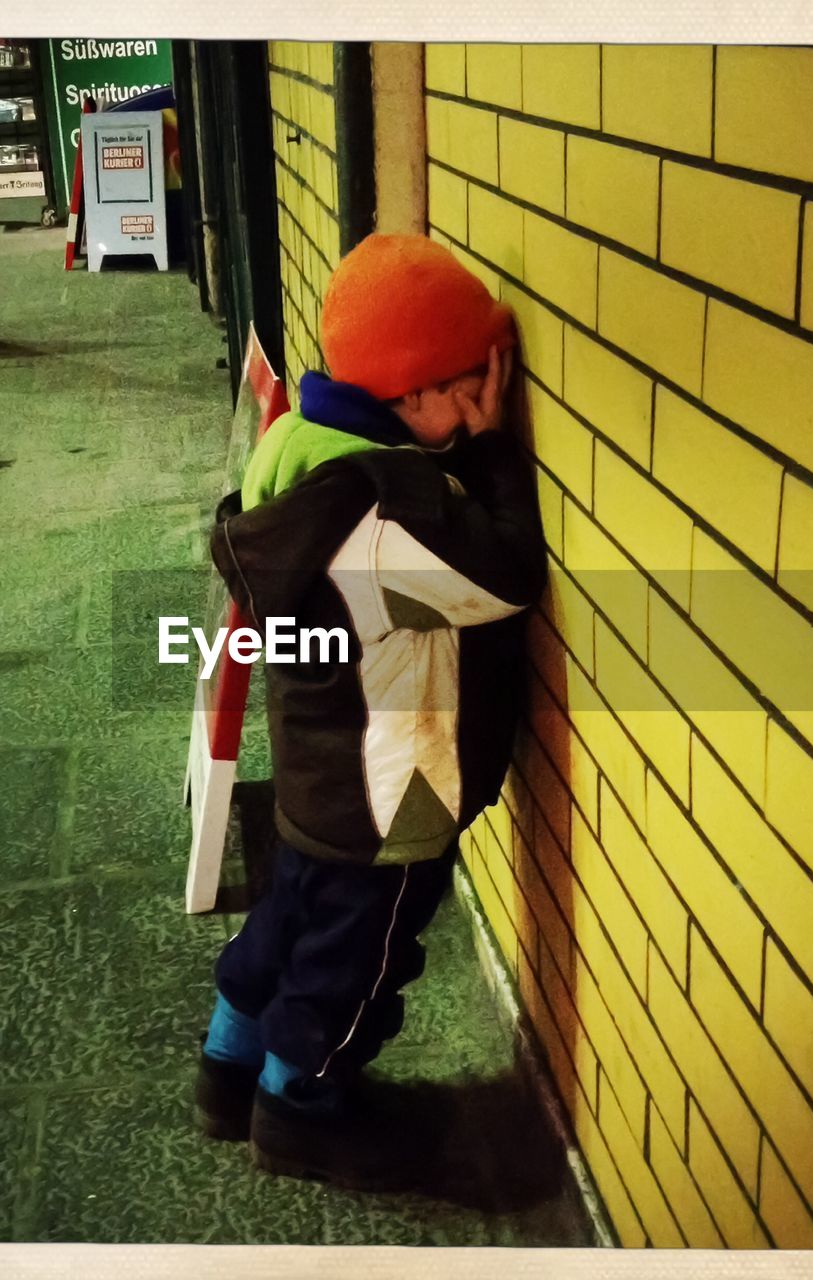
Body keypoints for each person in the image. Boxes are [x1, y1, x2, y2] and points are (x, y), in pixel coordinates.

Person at [195, 233, 549, 1191]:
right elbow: (505, 574)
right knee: (352, 968)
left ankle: (228, 1074)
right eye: (473, 383)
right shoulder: (383, 508)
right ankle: (300, 1112)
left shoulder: (298, 445)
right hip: (390, 795)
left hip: (319, 774)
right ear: (423, 393)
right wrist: (497, 449)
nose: (484, 397)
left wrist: (453, 446)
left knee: (285, 926)